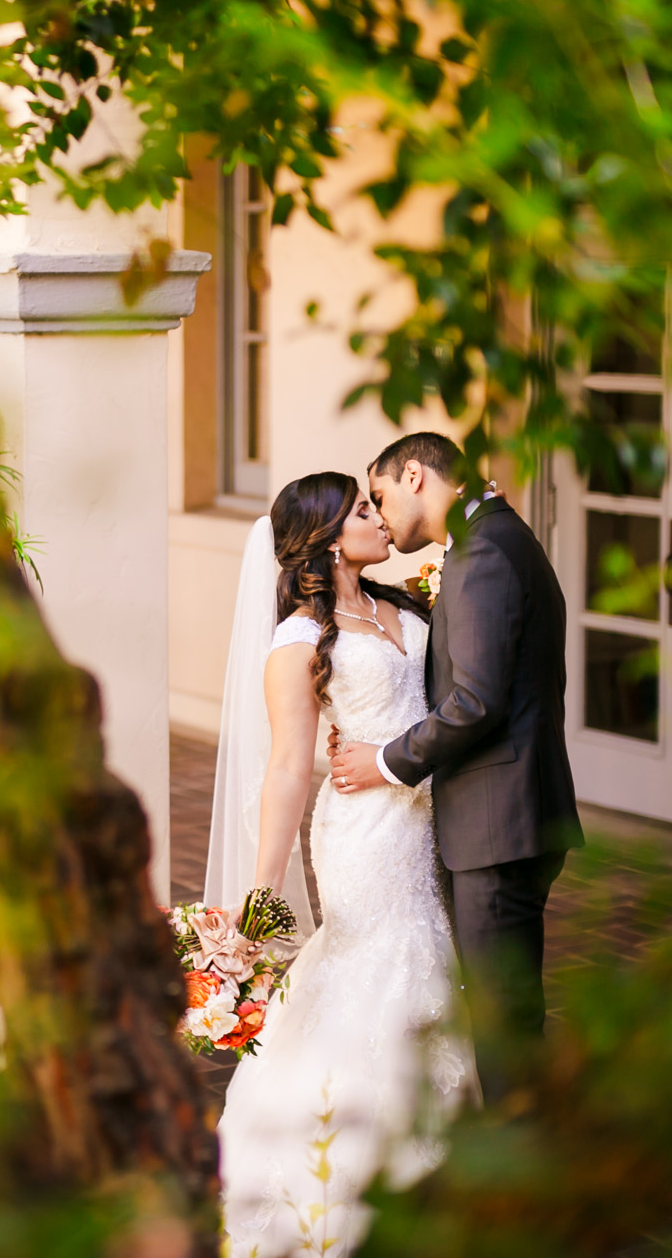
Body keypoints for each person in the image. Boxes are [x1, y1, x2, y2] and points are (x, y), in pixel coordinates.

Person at [207, 471, 473, 1258]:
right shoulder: (296, 639)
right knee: (379, 972)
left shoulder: (405, 606)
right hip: (361, 837)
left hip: (424, 825)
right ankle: (347, 1183)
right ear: (325, 540)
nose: (378, 516)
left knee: (431, 961)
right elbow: (289, 767)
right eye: (361, 509)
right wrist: (260, 898)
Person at [327, 432, 583, 1107]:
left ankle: (523, 1170)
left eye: (379, 496)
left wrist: (385, 760)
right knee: (504, 1007)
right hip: (505, 814)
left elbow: (475, 701)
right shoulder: (491, 538)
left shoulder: (484, 552)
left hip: (499, 822)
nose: (379, 516)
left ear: (415, 474)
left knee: (503, 1017)